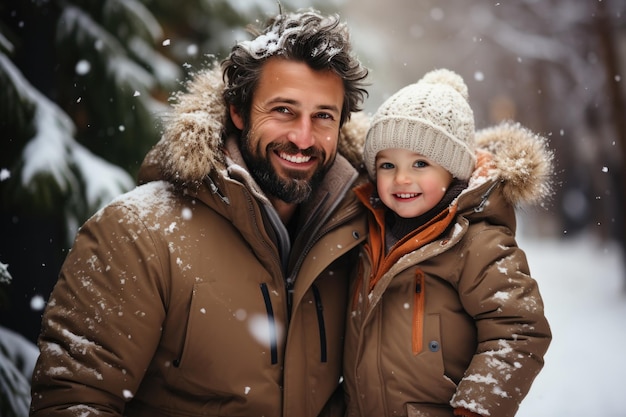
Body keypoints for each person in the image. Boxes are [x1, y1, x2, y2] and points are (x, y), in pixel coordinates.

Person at [29, 8, 369, 417]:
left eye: (323, 117)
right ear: (238, 112)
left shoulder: (358, 235)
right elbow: (73, 401)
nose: (302, 137)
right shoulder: (138, 232)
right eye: (283, 110)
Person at [342, 69, 553, 417]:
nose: (402, 178)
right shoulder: (367, 232)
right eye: (388, 164)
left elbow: (519, 330)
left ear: (453, 171)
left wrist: (476, 406)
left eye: (420, 163)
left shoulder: (477, 241)